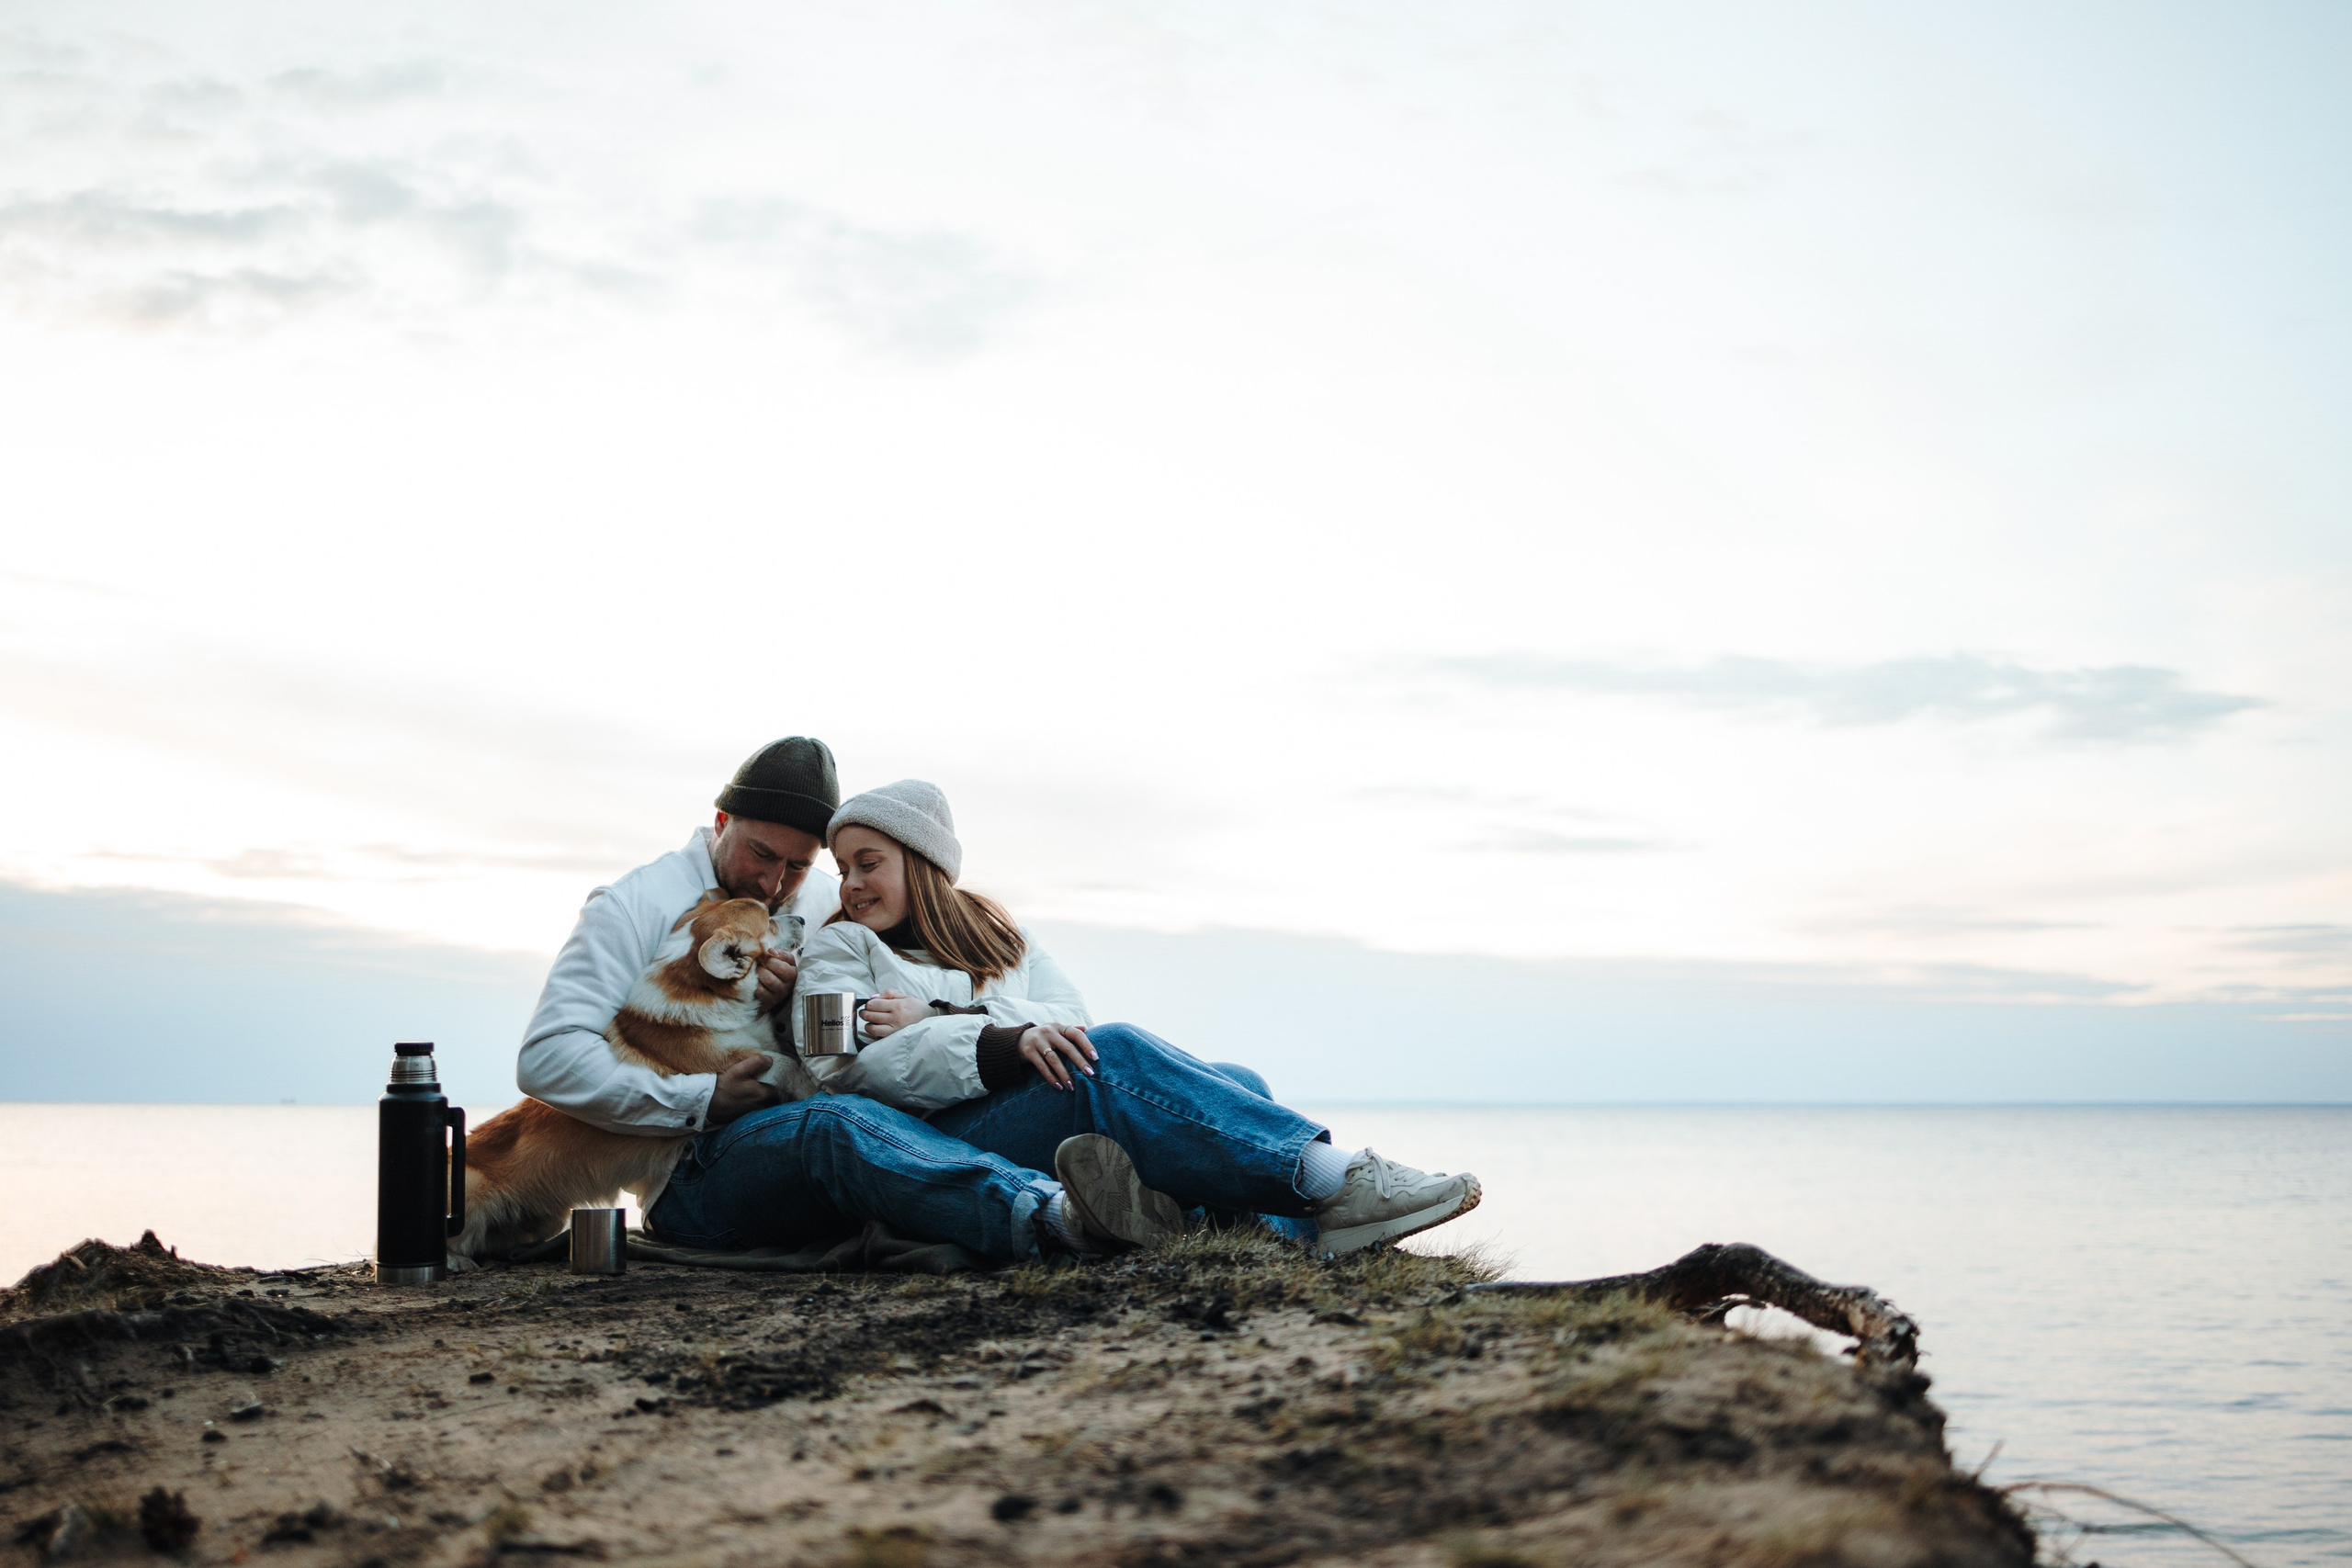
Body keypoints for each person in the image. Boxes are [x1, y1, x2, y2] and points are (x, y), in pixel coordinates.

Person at [772, 780, 1482, 1258]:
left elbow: (1068, 1017)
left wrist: (948, 1013)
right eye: (845, 867)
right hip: (939, 1134)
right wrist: (999, 1044)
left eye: (870, 863)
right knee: (1113, 1054)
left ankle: (1294, 1233)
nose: (853, 884)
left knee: (1238, 1077)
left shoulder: (999, 937)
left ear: (922, 862)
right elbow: (840, 1067)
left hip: (1025, 1103)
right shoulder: (838, 946)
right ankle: (1337, 1180)